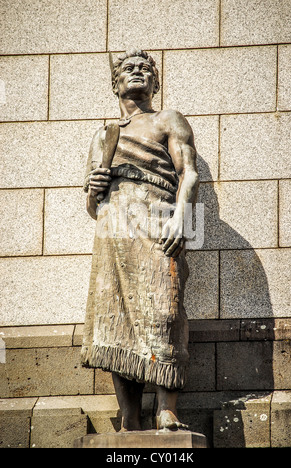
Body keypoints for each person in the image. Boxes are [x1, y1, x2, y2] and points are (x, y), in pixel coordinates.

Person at [81, 49, 199, 432]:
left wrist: (183, 218)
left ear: (155, 82)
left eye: (145, 69)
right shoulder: (105, 135)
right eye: (128, 69)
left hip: (157, 218)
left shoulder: (168, 120)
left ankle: (167, 409)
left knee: (164, 309)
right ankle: (129, 418)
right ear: (116, 83)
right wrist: (93, 190)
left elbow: (190, 173)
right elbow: (91, 203)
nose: (137, 72)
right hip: (113, 229)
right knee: (116, 319)